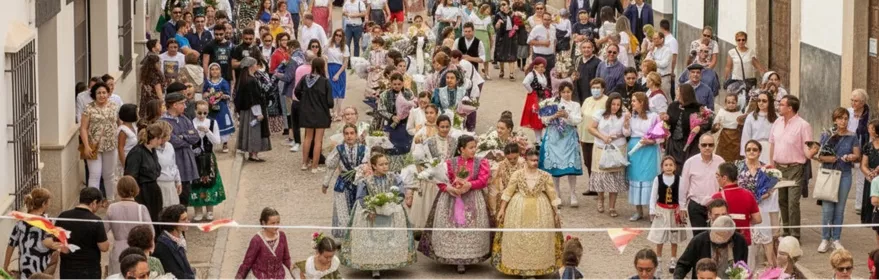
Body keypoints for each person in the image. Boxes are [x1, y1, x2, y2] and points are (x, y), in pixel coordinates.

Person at [419, 135, 492, 274]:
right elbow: (439, 179)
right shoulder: (449, 163)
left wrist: (469, 184)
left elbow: (483, 180)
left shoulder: (480, 162)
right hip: (451, 199)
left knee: (470, 228)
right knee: (453, 228)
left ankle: (468, 257)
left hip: (473, 200)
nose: (474, 150)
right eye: (471, 148)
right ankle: (454, 257)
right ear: (461, 149)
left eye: (475, 147)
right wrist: (448, 188)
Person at [340, 153, 415, 278]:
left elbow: (400, 194)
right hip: (372, 213)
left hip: (391, 211)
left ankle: (389, 261)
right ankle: (375, 267)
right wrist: (370, 209)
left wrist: (392, 204)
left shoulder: (394, 178)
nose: (385, 167)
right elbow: (361, 198)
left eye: (386, 164)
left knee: (390, 238)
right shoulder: (366, 181)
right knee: (372, 239)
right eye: (381, 164)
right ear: (374, 166)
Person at [494, 148, 563, 277]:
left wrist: (556, 212)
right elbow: (508, 192)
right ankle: (520, 268)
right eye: (532, 160)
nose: (535, 163)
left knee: (539, 237)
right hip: (518, 207)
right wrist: (502, 209)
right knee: (519, 236)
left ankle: (538, 268)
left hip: (541, 208)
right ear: (526, 160)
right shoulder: (518, 174)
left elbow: (552, 194)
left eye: (537, 160)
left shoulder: (545, 175)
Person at [814, 108, 861, 253]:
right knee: (828, 209)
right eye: (840, 118)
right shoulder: (828, 135)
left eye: (846, 118)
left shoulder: (852, 136)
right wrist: (832, 158)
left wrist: (852, 157)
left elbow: (857, 155)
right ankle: (825, 238)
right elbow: (818, 155)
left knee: (840, 209)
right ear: (835, 120)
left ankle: (836, 239)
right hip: (829, 173)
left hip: (845, 175)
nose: (843, 121)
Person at [769, 95, 816, 240]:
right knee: (782, 200)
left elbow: (808, 149)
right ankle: (786, 231)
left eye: (782, 104)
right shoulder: (777, 122)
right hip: (779, 168)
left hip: (795, 167)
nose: (779, 106)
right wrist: (771, 164)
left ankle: (795, 235)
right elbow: (772, 144)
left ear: (790, 108)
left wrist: (813, 152)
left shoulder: (803, 125)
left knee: (793, 202)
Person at [735, 140, 779, 269]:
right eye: (748, 149)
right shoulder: (738, 166)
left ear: (759, 152)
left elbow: (771, 188)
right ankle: (746, 267)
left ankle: (771, 267)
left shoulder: (766, 169)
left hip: (762, 206)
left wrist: (764, 195)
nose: (751, 152)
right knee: (746, 238)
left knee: (766, 236)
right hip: (743, 207)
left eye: (754, 149)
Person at [540, 82, 583, 208]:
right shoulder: (551, 103)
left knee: (571, 166)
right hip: (554, 137)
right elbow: (543, 119)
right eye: (564, 92)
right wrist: (554, 116)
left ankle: (573, 194)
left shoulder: (575, 105)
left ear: (572, 92)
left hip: (569, 136)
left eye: (568, 92)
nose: (566, 94)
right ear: (560, 93)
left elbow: (578, 120)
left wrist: (567, 115)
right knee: (554, 166)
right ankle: (557, 194)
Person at [408, 115, 456, 227]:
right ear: (437, 127)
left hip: (447, 179)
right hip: (432, 181)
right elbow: (419, 160)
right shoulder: (429, 141)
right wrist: (425, 173)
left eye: (447, 127)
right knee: (429, 209)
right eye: (442, 127)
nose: (445, 129)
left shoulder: (454, 141)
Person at [322, 124, 368, 238]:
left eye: (352, 133)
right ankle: (345, 239)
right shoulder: (339, 149)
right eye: (346, 134)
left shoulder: (364, 149)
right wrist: (325, 183)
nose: (349, 136)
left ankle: (359, 236)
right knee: (343, 211)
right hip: (343, 184)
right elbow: (331, 166)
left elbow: (368, 166)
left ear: (356, 134)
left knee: (359, 210)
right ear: (343, 135)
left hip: (359, 184)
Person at [588, 92, 629, 217]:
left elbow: (627, 133)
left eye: (618, 105)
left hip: (618, 147)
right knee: (601, 176)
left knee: (614, 177)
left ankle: (612, 206)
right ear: (609, 103)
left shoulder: (623, 115)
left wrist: (626, 122)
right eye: (613, 104)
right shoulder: (600, 113)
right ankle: (600, 199)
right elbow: (591, 128)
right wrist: (603, 137)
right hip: (601, 146)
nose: (615, 107)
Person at [56, 187, 109, 280]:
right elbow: (104, 247)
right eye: (99, 205)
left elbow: (56, 241)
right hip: (90, 270)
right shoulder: (96, 221)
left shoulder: (63, 216)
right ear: (94, 203)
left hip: (67, 269)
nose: (98, 209)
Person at [674, 215, 749, 280]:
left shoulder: (740, 242)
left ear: (730, 236)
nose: (713, 236)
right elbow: (683, 264)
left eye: (719, 235)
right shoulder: (699, 240)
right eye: (713, 231)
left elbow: (742, 266)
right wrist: (677, 278)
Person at [4, 188, 57, 279]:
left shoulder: (20, 223)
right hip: (41, 271)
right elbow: (52, 245)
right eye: (48, 202)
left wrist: (6, 266)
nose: (49, 205)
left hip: (25, 271)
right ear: (44, 204)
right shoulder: (46, 223)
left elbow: (11, 245)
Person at [80, 82, 120, 200]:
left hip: (111, 145)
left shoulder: (114, 106)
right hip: (93, 146)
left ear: (108, 94)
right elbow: (83, 128)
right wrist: (86, 146)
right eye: (99, 93)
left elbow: (117, 123)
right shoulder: (88, 108)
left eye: (104, 93)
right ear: (94, 94)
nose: (102, 95)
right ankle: (93, 201)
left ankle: (110, 200)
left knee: (109, 175)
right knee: (94, 175)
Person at [679, 134, 725, 237]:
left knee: (716, 235)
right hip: (696, 204)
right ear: (699, 146)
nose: (707, 148)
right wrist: (682, 206)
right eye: (704, 145)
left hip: (715, 205)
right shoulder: (690, 162)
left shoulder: (720, 161)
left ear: (714, 145)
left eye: (710, 145)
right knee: (699, 237)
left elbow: (725, 184)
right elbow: (684, 186)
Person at [105, 176, 153, 275]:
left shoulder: (112, 208)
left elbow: (103, 230)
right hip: (138, 250)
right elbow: (151, 232)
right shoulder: (141, 208)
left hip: (118, 250)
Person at [647, 156, 687, 274]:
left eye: (671, 165)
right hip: (661, 211)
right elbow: (653, 195)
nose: (668, 167)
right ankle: (658, 261)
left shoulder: (679, 179)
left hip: (674, 211)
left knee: (674, 238)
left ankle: (673, 260)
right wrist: (652, 210)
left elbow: (681, 196)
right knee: (660, 237)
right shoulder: (657, 179)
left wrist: (682, 209)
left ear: (674, 167)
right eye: (666, 165)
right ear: (662, 167)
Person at [161, 91, 200, 207]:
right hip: (174, 161)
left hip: (187, 162)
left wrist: (182, 136)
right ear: (174, 105)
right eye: (182, 103)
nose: (185, 106)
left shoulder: (185, 119)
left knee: (185, 194)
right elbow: (173, 141)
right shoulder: (163, 122)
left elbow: (195, 137)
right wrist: (186, 138)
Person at [626, 92, 660, 220]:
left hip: (649, 149)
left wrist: (651, 141)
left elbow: (660, 135)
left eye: (634, 101)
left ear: (641, 102)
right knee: (635, 178)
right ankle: (638, 211)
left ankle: (652, 211)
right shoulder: (631, 117)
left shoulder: (653, 116)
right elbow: (627, 132)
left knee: (649, 178)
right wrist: (625, 123)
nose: (632, 103)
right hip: (635, 147)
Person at [125, 122, 168, 222]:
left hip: (153, 190)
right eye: (159, 138)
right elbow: (131, 175)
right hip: (142, 191)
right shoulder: (137, 152)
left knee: (155, 218)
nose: (161, 141)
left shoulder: (152, 151)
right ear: (154, 138)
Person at [296, 57, 333, 172]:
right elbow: (330, 102)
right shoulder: (325, 81)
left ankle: (304, 163)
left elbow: (297, 92)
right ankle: (315, 166)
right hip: (321, 113)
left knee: (308, 138)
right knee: (318, 140)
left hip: (307, 112)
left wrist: (304, 101)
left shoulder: (304, 79)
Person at [190, 101, 226, 221]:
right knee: (196, 183)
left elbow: (217, 141)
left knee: (209, 182)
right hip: (194, 157)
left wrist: (207, 131)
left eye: (205, 112)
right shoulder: (190, 123)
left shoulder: (212, 122)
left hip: (208, 156)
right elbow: (188, 141)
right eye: (199, 112)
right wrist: (197, 135)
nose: (202, 115)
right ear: (195, 111)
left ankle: (210, 210)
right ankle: (198, 210)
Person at [712, 162, 762, 245]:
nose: (716, 178)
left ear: (724, 178)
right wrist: (745, 221)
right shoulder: (748, 194)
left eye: (717, 175)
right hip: (744, 240)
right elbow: (758, 219)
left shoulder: (717, 197)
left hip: (725, 241)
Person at [236, 207, 293, 279]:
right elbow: (247, 263)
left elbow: (286, 258)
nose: (276, 226)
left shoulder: (282, 236)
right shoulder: (257, 240)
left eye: (278, 222)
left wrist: (293, 272)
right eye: (272, 223)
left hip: (281, 276)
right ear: (263, 223)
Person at [666, 84, 712, 170]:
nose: (676, 93)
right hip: (673, 145)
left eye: (678, 91)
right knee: (673, 169)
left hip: (690, 145)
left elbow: (708, 123)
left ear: (685, 94)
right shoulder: (672, 106)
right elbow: (669, 123)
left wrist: (699, 128)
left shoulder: (697, 108)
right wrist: (666, 120)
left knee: (688, 168)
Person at [236, 57, 273, 161]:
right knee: (255, 131)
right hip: (253, 110)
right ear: (251, 66)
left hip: (246, 110)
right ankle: (253, 154)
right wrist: (258, 113)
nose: (257, 66)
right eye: (256, 64)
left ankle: (251, 152)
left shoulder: (243, 79)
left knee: (249, 131)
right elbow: (254, 97)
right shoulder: (251, 80)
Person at [153, 205, 194, 280]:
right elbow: (174, 272)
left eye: (187, 218)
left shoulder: (179, 237)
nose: (188, 221)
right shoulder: (163, 246)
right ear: (173, 222)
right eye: (184, 219)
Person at [203, 63, 235, 152]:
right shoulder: (207, 82)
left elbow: (228, 94)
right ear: (209, 71)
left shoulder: (223, 81)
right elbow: (204, 92)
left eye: (216, 69)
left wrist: (221, 95)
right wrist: (208, 94)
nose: (214, 71)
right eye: (212, 69)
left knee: (223, 122)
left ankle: (225, 143)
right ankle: (210, 143)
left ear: (220, 71)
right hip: (210, 107)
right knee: (211, 123)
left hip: (222, 107)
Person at [849, 89, 870, 216]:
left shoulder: (868, 114)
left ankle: (859, 204)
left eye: (856, 101)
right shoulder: (847, 112)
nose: (853, 103)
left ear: (862, 102)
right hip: (848, 147)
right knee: (843, 176)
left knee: (861, 178)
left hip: (862, 148)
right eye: (852, 100)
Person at [521, 57, 550, 146]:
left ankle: (540, 138)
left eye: (544, 67)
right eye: (541, 67)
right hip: (535, 98)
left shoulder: (542, 74)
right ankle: (538, 140)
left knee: (542, 118)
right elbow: (525, 83)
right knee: (536, 118)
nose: (543, 69)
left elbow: (544, 85)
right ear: (536, 66)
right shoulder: (531, 74)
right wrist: (531, 91)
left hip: (542, 97)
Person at [740, 91, 776, 162]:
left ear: (770, 102)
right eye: (759, 100)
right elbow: (746, 136)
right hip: (755, 148)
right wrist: (745, 153)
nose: (761, 103)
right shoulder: (751, 117)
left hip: (771, 149)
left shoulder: (776, 117)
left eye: (764, 101)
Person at [154, 120, 181, 207]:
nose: (169, 137)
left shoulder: (170, 146)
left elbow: (174, 165)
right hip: (159, 185)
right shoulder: (152, 149)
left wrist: (178, 181)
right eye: (168, 134)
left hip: (171, 185)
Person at [712, 93, 744, 162]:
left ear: (736, 103)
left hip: (736, 137)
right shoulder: (722, 112)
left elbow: (742, 126)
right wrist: (716, 126)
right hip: (724, 137)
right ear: (725, 103)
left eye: (733, 102)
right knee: (723, 156)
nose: (731, 104)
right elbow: (715, 124)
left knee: (735, 157)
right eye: (728, 102)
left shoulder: (740, 113)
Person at [327, 29, 350, 121]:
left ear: (342, 37)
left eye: (340, 35)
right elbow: (323, 55)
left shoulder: (345, 47)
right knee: (332, 91)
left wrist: (338, 74)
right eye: (336, 35)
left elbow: (345, 63)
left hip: (340, 69)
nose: (338, 37)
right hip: (330, 68)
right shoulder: (329, 45)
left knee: (340, 91)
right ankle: (333, 112)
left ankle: (339, 110)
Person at [493, 1, 520, 80]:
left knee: (511, 54)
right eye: (501, 4)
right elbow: (495, 27)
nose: (503, 6)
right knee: (501, 53)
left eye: (504, 4)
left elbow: (517, 24)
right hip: (502, 36)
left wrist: (515, 28)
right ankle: (502, 71)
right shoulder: (498, 14)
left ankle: (511, 73)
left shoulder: (513, 14)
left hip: (511, 36)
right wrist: (498, 23)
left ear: (508, 5)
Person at [863, 121, 879, 225]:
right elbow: (863, 164)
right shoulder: (868, 146)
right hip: (871, 178)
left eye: (871, 129)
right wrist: (869, 173)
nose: (869, 131)